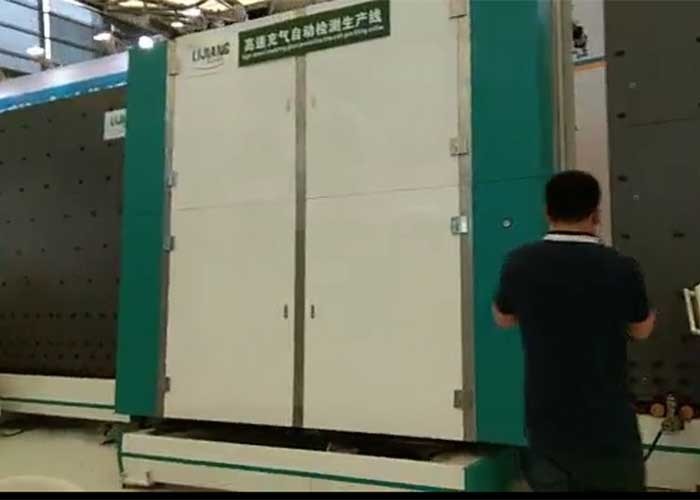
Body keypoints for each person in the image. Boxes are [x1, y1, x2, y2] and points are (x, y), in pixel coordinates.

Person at [492, 170, 655, 492]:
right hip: (608, 426)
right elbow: (642, 330)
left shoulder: (519, 263)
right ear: (596, 214)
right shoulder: (621, 266)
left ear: (547, 212)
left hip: (547, 421)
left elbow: (503, 318)